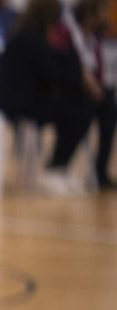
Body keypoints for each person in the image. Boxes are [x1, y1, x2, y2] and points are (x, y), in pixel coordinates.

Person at [0, 0, 99, 195]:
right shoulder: (32, 40)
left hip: (25, 99)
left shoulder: (29, 36)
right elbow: (55, 73)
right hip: (19, 103)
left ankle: (58, 168)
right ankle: (55, 169)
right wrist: (79, 74)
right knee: (78, 111)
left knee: (77, 108)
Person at [68, 0, 116, 189]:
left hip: (93, 91)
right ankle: (59, 164)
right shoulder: (72, 34)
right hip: (73, 91)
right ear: (90, 14)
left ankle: (101, 171)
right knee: (83, 111)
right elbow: (75, 68)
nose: (106, 16)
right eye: (103, 12)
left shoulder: (96, 37)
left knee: (110, 111)